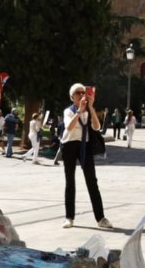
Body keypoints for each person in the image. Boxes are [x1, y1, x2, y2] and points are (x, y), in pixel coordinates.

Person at [60, 83, 112, 230]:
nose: (82, 95)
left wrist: (90, 108)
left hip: (85, 145)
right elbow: (69, 127)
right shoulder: (68, 111)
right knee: (70, 182)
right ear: (72, 97)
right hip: (69, 145)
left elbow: (97, 127)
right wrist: (79, 111)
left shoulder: (89, 111)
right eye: (78, 93)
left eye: (84, 92)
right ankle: (69, 217)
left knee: (92, 181)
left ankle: (100, 218)